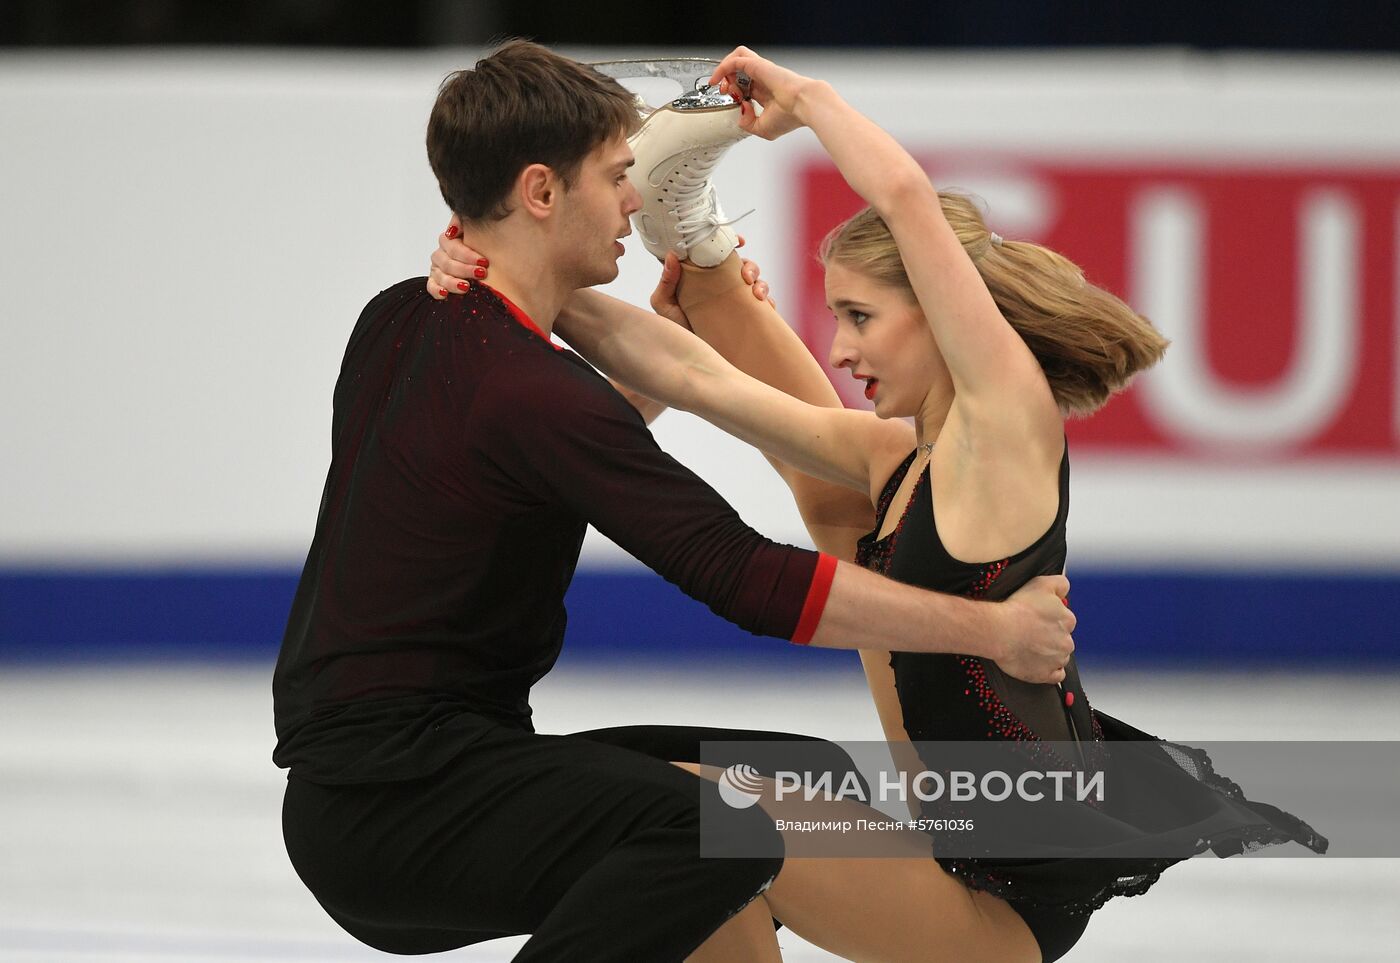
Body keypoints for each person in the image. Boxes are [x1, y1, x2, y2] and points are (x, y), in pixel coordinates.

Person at [430, 44, 1327, 963]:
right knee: (702, 833)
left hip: (1002, 904)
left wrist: (810, 101)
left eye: (861, 316)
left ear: (939, 310)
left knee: (689, 803)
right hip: (942, 857)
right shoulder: (895, 461)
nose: (842, 345)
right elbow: (692, 375)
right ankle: (699, 245)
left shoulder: (1005, 433)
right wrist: (510, 272)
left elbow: (903, 199)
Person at [276, 39, 1079, 963]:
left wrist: (511, 256)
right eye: (619, 178)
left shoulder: (401, 315)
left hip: (404, 779)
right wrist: (992, 632)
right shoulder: (530, 390)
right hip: (402, 801)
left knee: (775, 784)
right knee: (702, 820)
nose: (632, 199)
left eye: (858, 318)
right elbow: (736, 566)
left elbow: (680, 389)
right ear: (541, 193)